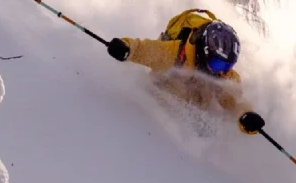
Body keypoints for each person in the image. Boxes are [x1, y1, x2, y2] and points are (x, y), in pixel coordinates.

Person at [106, 9, 265, 135]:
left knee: (209, 93)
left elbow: (235, 101)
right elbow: (143, 49)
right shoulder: (173, 53)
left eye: (226, 67)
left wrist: (246, 116)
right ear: (205, 50)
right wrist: (125, 48)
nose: (220, 71)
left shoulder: (223, 74)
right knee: (177, 89)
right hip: (167, 94)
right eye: (217, 64)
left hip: (196, 99)